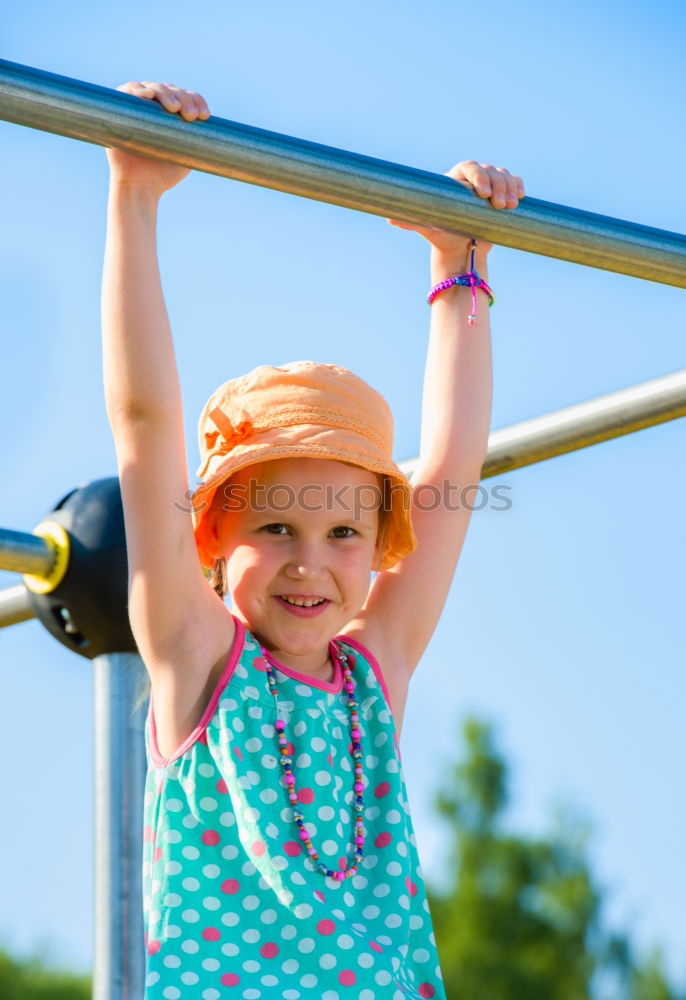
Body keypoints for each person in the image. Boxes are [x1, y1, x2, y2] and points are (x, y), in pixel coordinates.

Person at [102, 79, 524, 1000]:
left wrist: (460, 265)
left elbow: (453, 464)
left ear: (378, 548)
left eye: (343, 532)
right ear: (212, 533)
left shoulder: (375, 669)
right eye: (275, 526)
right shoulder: (197, 654)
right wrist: (135, 196)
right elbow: (143, 425)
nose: (309, 561)